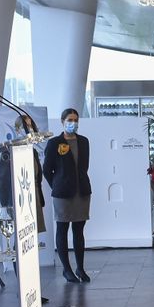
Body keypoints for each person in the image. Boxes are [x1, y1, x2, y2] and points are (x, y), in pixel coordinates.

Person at [43, 108, 91, 283]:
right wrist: (57, 184)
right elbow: (47, 170)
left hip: (82, 191)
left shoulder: (84, 141)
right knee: (62, 230)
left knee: (79, 231)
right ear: (62, 121)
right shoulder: (54, 143)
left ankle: (80, 268)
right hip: (62, 193)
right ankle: (67, 269)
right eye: (70, 120)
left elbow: (84, 166)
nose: (73, 123)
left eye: (76, 120)